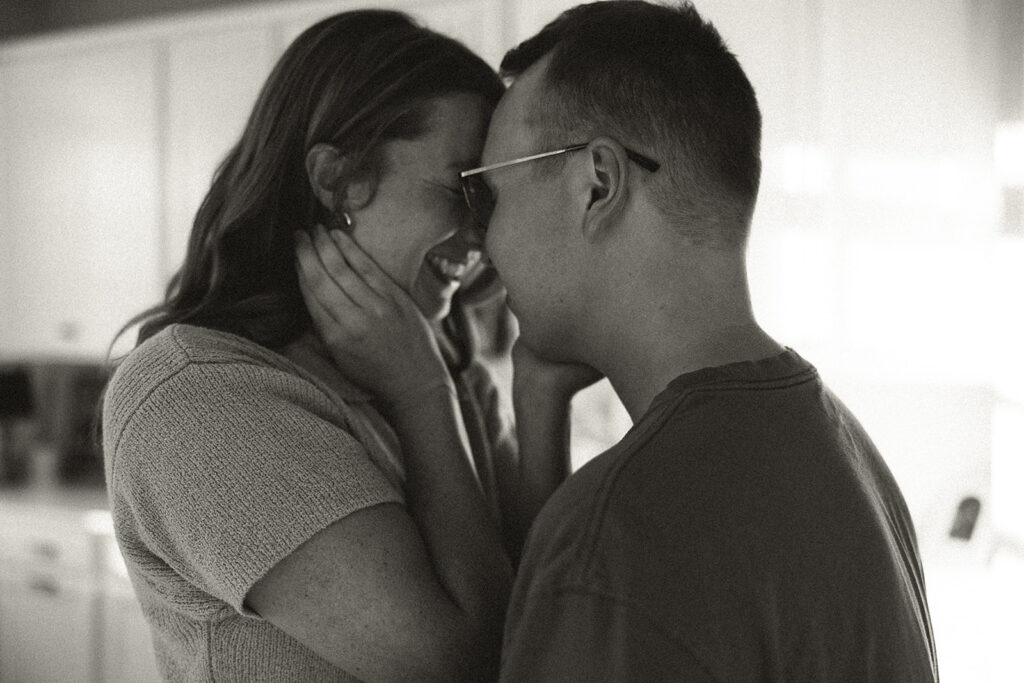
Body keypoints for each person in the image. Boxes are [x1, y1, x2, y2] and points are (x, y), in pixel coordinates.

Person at [456, 1, 938, 680]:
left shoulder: (618, 534)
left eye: (489, 194)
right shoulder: (846, 452)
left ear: (597, 184)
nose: (481, 241)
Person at [100, 10, 581, 681]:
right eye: (462, 190)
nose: (485, 238)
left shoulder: (444, 357)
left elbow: (543, 611)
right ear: (335, 180)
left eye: (491, 201)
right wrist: (420, 394)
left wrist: (538, 391)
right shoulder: (198, 394)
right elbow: (465, 662)